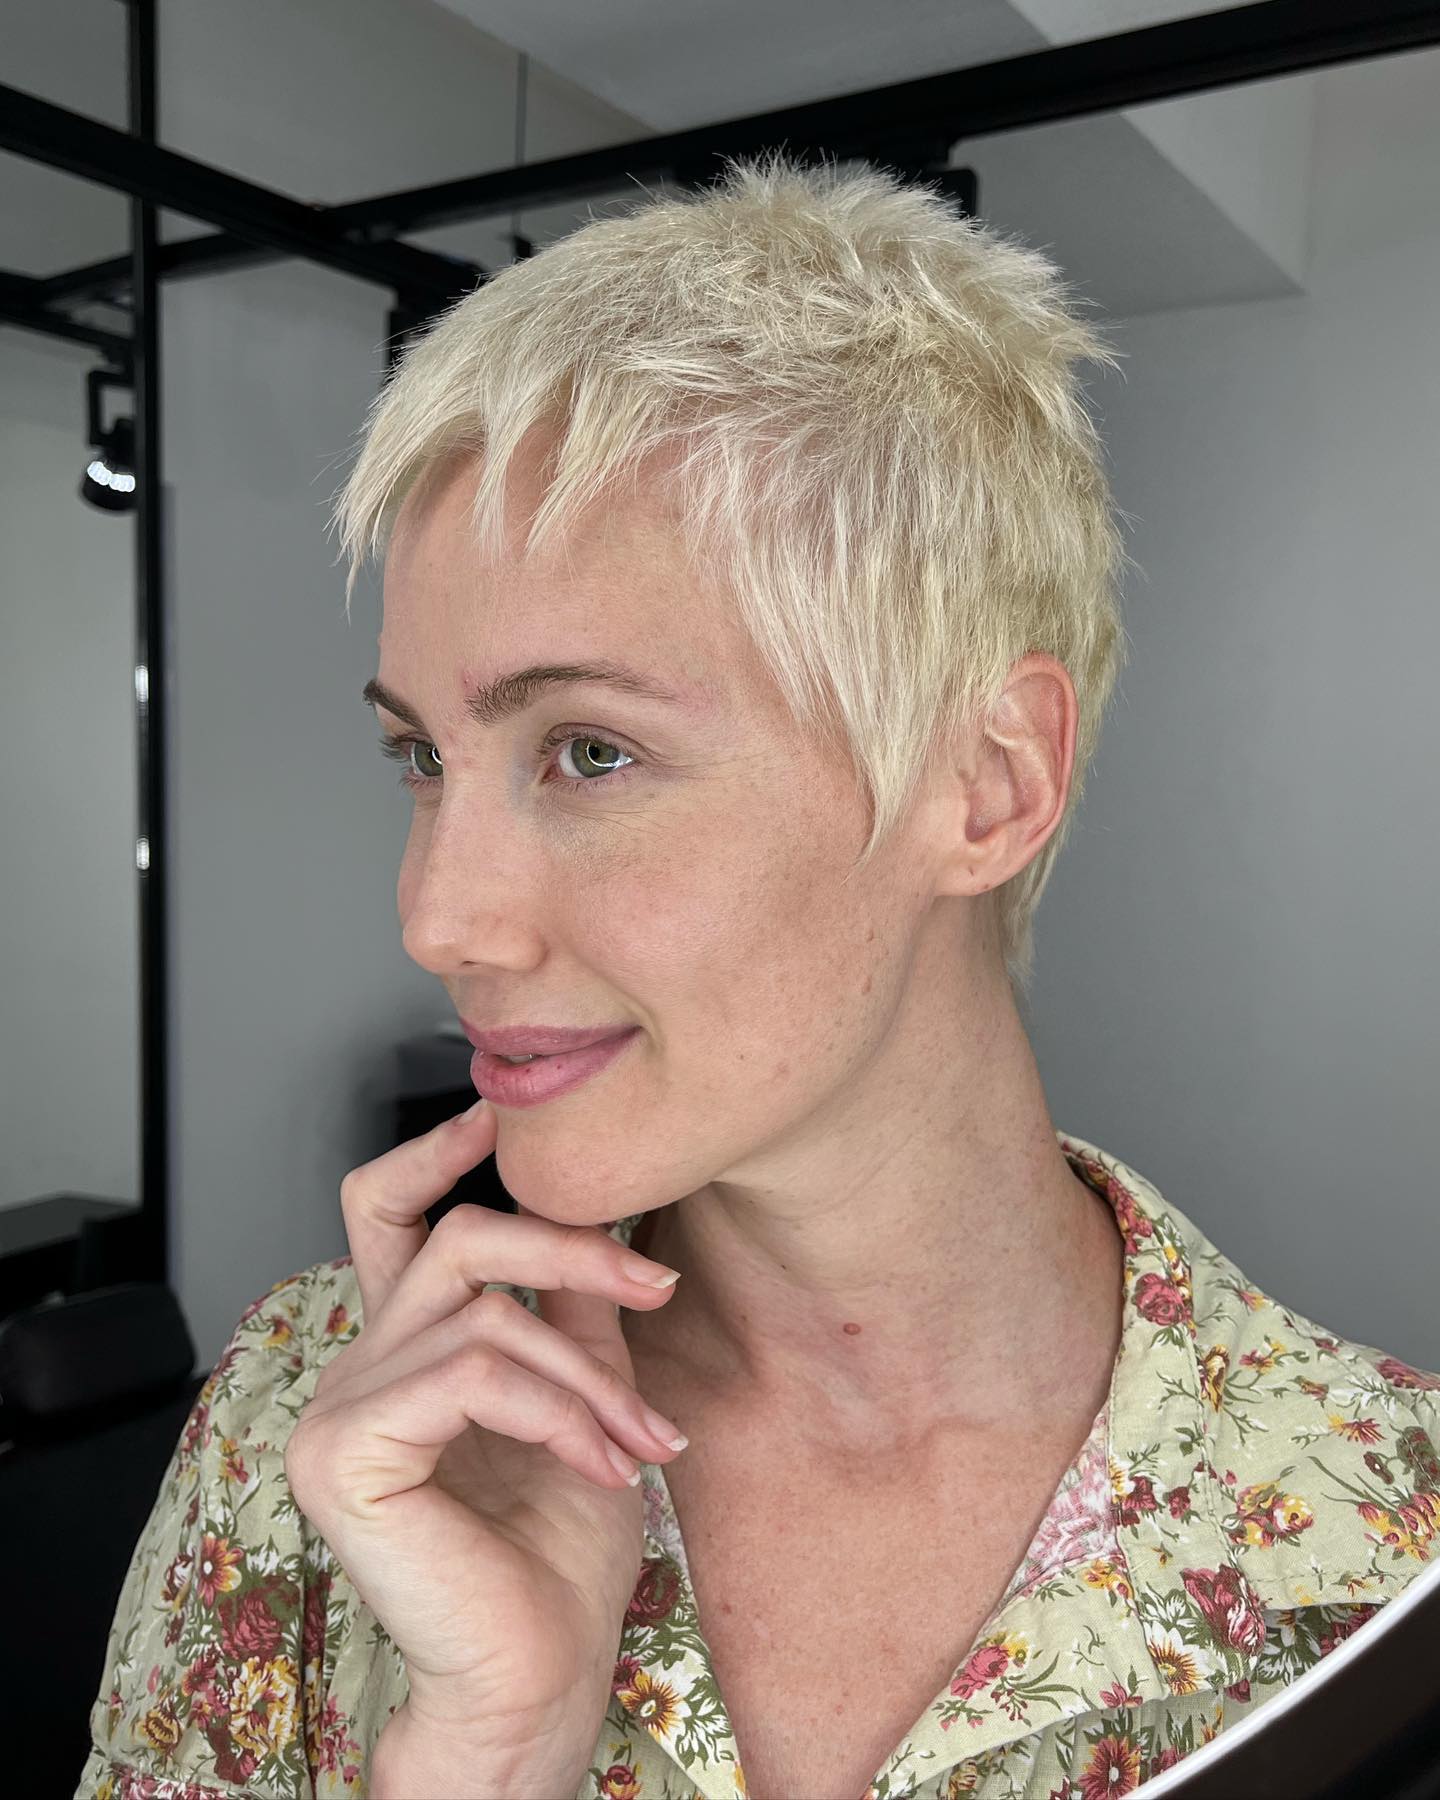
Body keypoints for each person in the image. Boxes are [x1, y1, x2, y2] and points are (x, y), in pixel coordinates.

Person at [76, 151, 1440, 1800]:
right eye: (423, 757)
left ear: (987, 784)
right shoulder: (316, 1437)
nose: (438, 917)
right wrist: (489, 1756)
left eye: (590, 750)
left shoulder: (1391, 1545)